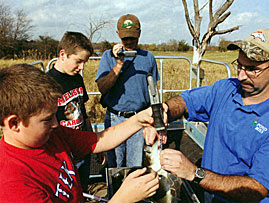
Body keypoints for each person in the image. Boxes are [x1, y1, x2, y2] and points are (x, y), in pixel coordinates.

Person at [144, 28, 269, 202]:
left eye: (251, 69)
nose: (241, 76)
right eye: (239, 65)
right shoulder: (226, 89)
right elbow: (185, 102)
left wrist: (194, 173)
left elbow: (257, 189)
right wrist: (164, 111)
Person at [0, 64, 159, 203]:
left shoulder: (51, 135)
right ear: (14, 123)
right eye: (47, 119)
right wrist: (122, 199)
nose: (56, 123)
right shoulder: (14, 187)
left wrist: (139, 120)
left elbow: (99, 140)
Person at [95, 14, 160, 168]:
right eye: (125, 38)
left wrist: (155, 122)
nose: (129, 42)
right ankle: (116, 192)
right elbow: (102, 88)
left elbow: (154, 92)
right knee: (115, 166)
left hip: (139, 119)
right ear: (118, 35)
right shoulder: (108, 56)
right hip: (114, 119)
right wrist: (118, 64)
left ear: (139, 34)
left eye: (132, 38)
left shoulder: (148, 57)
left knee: (135, 166)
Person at [47, 31, 99, 192]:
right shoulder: (47, 84)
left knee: (82, 190)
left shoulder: (77, 78)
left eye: (85, 62)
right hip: (63, 153)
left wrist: (93, 142)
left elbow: (83, 112)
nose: (81, 67)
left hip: (82, 148)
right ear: (63, 54)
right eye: (78, 61)